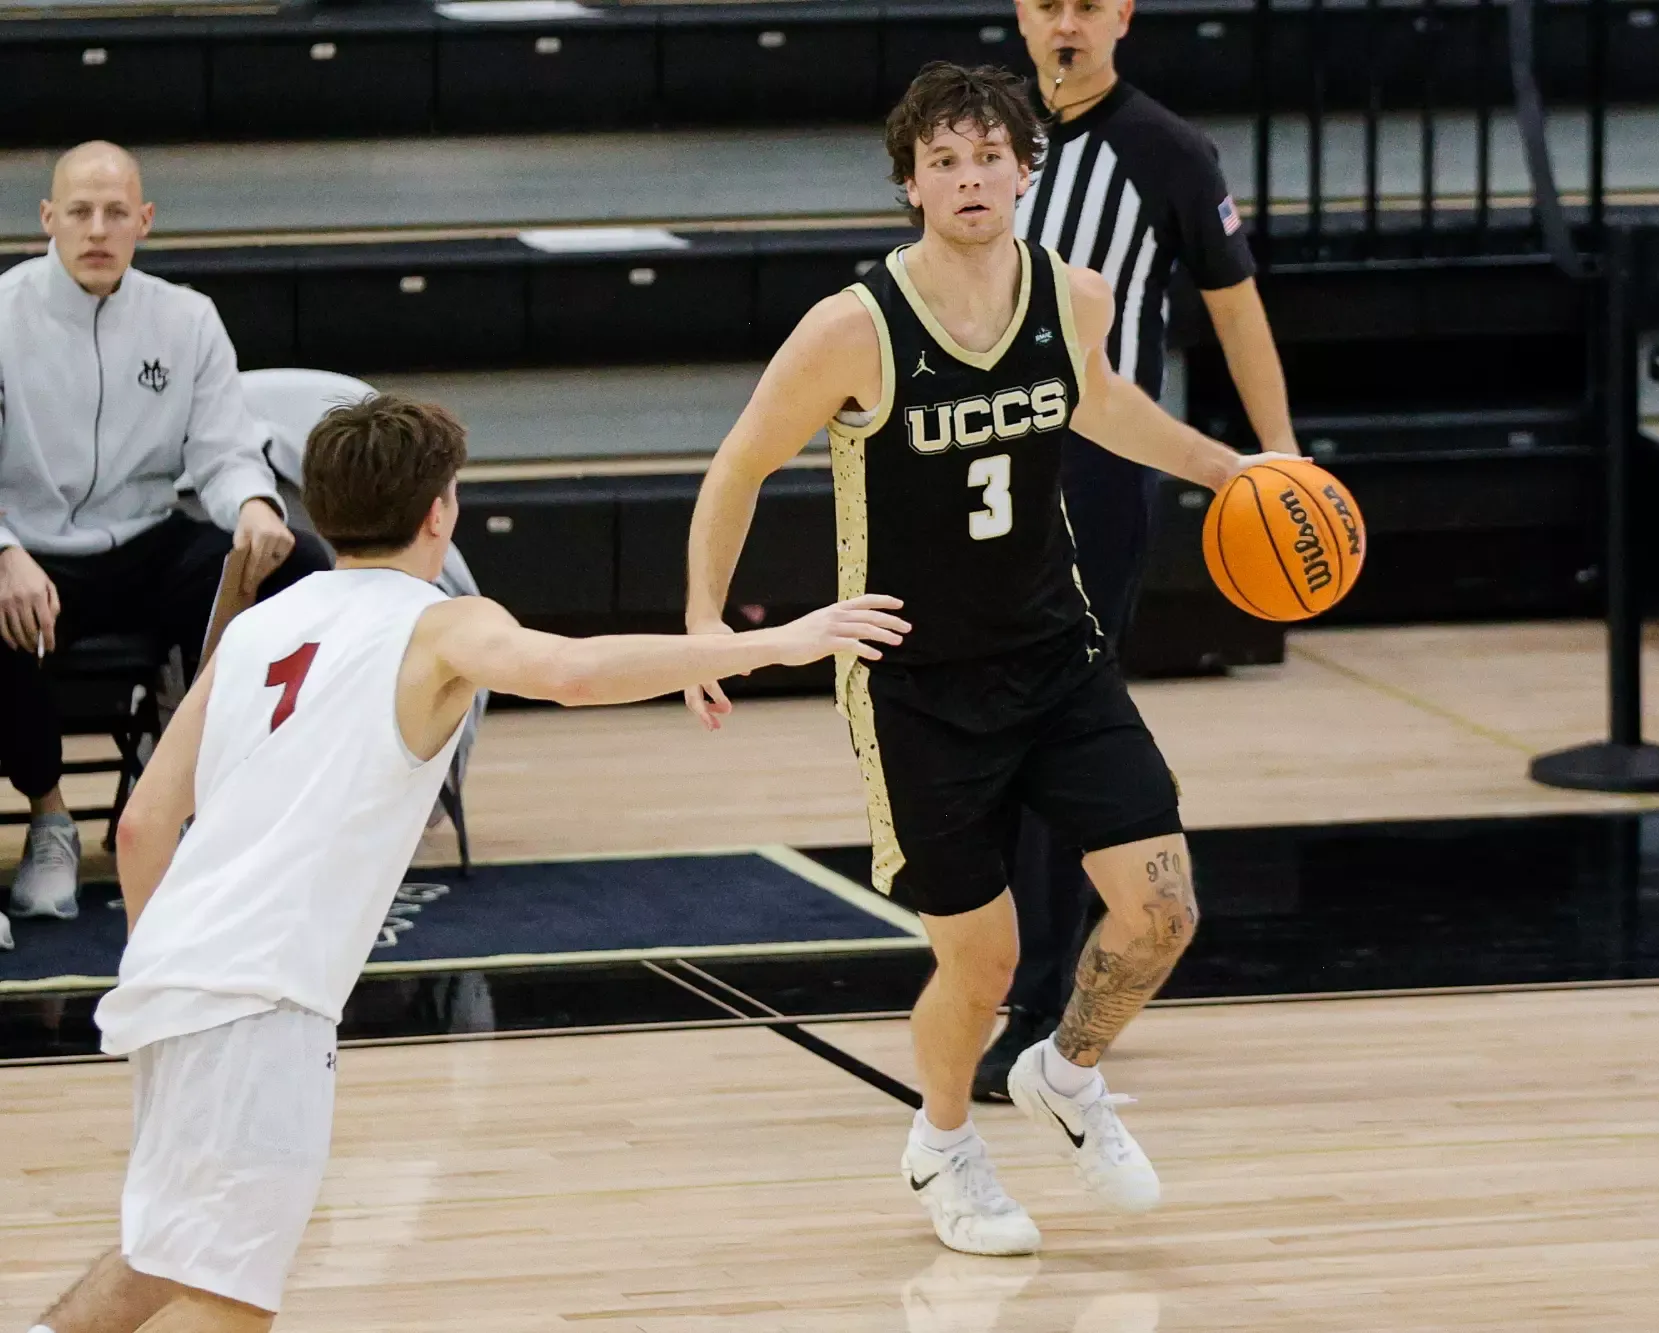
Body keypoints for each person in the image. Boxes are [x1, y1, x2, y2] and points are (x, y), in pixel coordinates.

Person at [27, 394, 908, 1333]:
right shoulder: (440, 622)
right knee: (227, 1293)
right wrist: (771, 641)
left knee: (165, 1248)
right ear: (440, 512)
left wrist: (168, 956)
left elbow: (139, 826)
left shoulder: (254, 630)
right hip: (260, 995)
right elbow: (570, 672)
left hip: (174, 972)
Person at [684, 62, 1274, 1256]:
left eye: (987, 156)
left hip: (1054, 653)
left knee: (1161, 911)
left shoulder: (1075, 293)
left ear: (1023, 169)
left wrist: (1232, 471)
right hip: (915, 681)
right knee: (985, 957)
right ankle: (942, 1142)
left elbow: (1099, 405)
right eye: (942, 160)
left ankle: (1064, 1072)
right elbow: (738, 463)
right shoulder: (852, 325)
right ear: (909, 184)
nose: (968, 177)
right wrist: (704, 618)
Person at [976, 0, 1304, 1100]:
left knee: (1052, 722)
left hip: (1092, 476)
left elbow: (1234, 304)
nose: (1065, 23)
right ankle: (988, 960)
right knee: (971, 718)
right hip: (967, 466)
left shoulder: (1165, 149)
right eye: (1047, 4)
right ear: (1022, 16)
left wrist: (1278, 455)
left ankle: (1034, 999)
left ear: (1121, 15)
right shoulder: (978, 134)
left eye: (1086, 4)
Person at [0, 142, 328, 950]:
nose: (98, 229)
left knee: (298, 567)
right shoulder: (2, 313)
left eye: (117, 213)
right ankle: (50, 818)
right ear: (48, 219)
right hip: (32, 554)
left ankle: (201, 796)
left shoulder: (187, 319)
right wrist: (3, 549)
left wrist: (253, 506)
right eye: (80, 211)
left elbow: (222, 451)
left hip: (145, 541)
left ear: (144, 221)